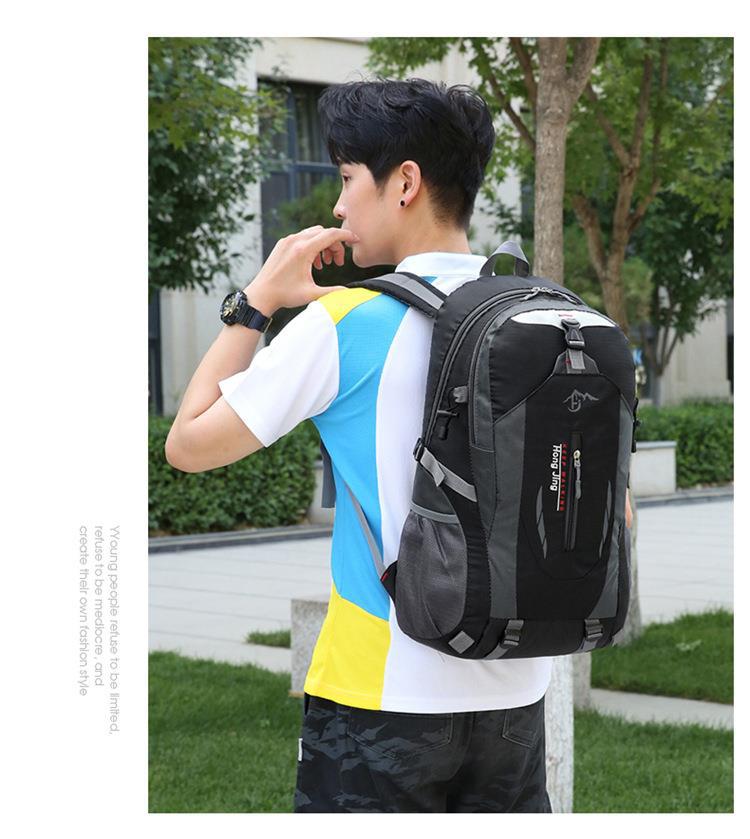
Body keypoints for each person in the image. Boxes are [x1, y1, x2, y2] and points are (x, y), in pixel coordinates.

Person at [165, 77, 633, 813]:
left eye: (348, 178)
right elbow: (615, 507)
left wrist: (255, 302)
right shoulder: (550, 321)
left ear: (405, 183)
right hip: (517, 691)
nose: (339, 206)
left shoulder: (345, 325)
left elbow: (188, 442)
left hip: (380, 691)